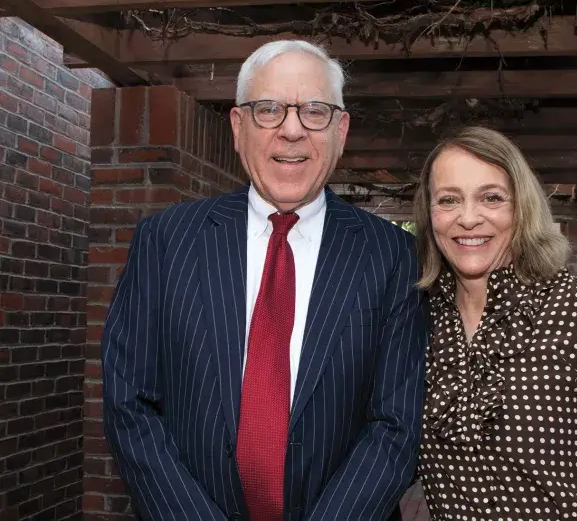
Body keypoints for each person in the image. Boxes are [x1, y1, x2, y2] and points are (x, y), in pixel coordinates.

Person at [100, 39, 427, 521]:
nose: (291, 130)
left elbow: (397, 424)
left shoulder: (393, 254)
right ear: (238, 127)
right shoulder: (167, 239)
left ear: (341, 131)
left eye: (314, 111)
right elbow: (128, 403)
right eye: (268, 109)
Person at [411, 126, 577, 520]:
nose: (467, 218)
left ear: (521, 208)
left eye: (491, 198)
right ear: (430, 215)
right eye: (448, 200)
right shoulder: (419, 319)